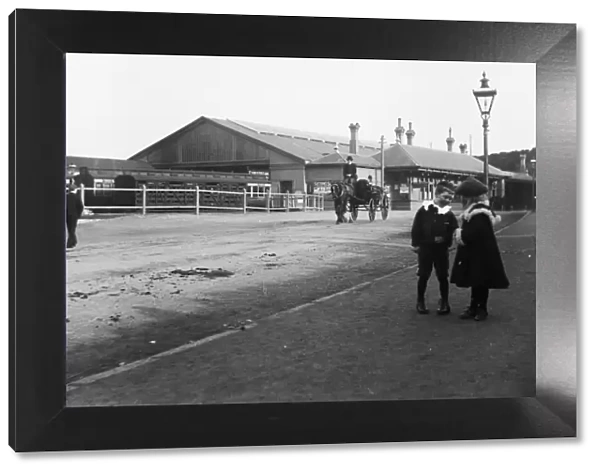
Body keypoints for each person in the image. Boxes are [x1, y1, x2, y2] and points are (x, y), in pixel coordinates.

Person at [450, 177, 510, 321]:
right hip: (480, 252)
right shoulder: (480, 211)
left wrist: (459, 233)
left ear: (469, 197)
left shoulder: (479, 213)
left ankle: (480, 308)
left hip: (480, 253)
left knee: (480, 281)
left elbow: (474, 233)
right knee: (477, 280)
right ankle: (474, 307)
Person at [410, 181, 459, 315]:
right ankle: (420, 301)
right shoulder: (424, 210)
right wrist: (415, 244)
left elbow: (454, 228)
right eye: (445, 197)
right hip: (426, 248)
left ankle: (444, 302)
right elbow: (416, 228)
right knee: (424, 275)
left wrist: (447, 239)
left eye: (450, 198)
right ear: (436, 195)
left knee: (442, 276)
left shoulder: (448, 213)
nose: (448, 200)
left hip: (441, 250)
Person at [66, 183, 84, 249]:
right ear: (75, 190)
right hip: (74, 215)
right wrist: (78, 214)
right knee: (73, 229)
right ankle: (71, 243)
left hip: (67, 215)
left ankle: (72, 242)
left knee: (69, 229)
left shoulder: (66, 197)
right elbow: (80, 206)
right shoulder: (76, 197)